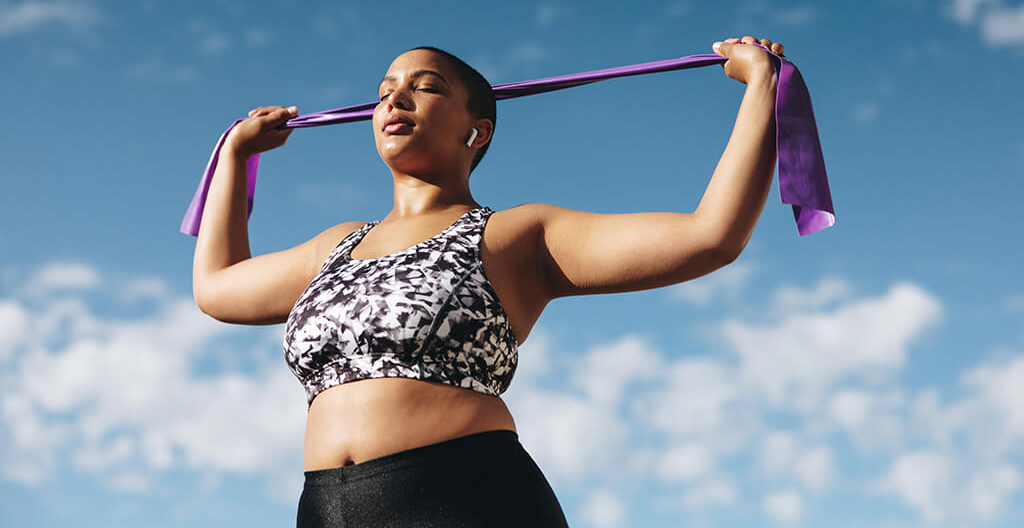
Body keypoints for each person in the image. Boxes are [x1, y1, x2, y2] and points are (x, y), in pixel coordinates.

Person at [191, 35, 784, 527]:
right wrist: (237, 159)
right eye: (383, 93)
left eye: (424, 86)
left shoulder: (516, 236)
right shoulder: (335, 245)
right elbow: (216, 287)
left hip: (464, 496)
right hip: (325, 507)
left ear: (477, 131)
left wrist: (761, 85)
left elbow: (712, 236)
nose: (396, 98)